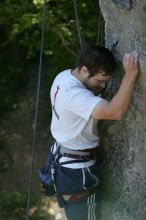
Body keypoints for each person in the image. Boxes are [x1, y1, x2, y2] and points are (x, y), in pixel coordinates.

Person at [49, 45, 139, 220]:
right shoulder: (74, 95)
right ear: (84, 70)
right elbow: (115, 112)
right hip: (76, 172)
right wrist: (130, 75)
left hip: (63, 162)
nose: (103, 87)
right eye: (99, 81)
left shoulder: (63, 76)